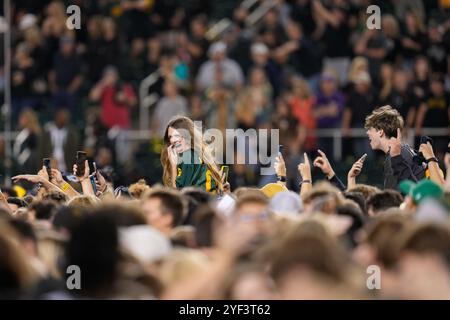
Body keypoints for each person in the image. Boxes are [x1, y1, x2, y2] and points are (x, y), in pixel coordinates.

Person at [364, 105, 426, 189]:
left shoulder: (395, 157)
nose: (368, 133)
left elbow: (392, 199)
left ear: (380, 132)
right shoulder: (404, 150)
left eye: (370, 129)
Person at [160, 116, 223, 193]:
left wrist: (173, 166)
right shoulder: (197, 154)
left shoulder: (187, 156)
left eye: (177, 135)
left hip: (200, 203)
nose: (172, 140)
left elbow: (179, 196)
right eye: (170, 137)